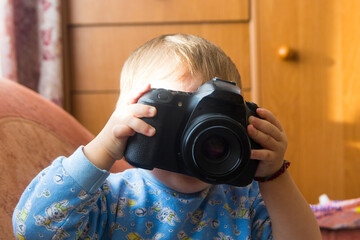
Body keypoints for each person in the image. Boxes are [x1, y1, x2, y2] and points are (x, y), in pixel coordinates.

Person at [12, 34, 321, 239]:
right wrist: (103, 146)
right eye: (177, 118)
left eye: (213, 120)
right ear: (129, 116)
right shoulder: (109, 199)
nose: (198, 138)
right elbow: (33, 229)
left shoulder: (245, 200)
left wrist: (274, 176)